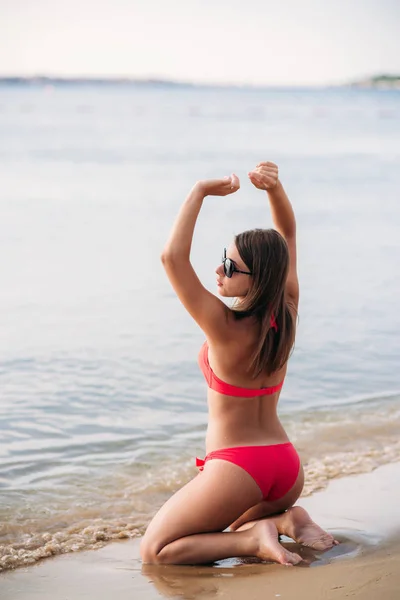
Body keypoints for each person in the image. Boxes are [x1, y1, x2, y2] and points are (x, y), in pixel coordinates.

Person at [140, 161, 338, 566]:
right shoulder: (286, 311)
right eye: (221, 260)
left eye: (230, 268)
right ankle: (287, 518)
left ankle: (255, 540)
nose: (218, 270)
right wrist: (275, 191)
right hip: (285, 467)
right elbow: (288, 236)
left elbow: (171, 258)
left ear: (257, 278)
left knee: (156, 553)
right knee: (222, 528)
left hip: (239, 466)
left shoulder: (224, 327)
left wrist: (198, 191)